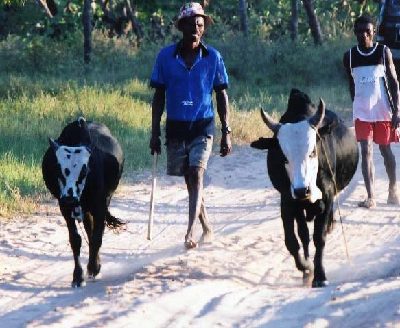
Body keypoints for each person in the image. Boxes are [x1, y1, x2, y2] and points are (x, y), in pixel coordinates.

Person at [149, 2, 232, 248]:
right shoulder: (165, 57)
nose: (196, 28)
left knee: (196, 174)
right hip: (175, 128)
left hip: (202, 127)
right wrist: (154, 133)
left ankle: (189, 232)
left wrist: (226, 131)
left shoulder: (213, 57)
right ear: (182, 26)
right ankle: (206, 225)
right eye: (191, 24)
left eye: (200, 24)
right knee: (189, 179)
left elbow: (221, 94)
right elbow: (158, 97)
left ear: (204, 28)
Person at [343, 14, 400, 208]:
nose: (364, 35)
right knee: (366, 151)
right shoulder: (349, 57)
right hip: (362, 113)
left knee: (385, 150)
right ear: (355, 33)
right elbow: (352, 84)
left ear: (374, 32)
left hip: (383, 111)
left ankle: (393, 190)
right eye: (359, 31)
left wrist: (397, 110)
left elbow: (394, 83)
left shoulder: (383, 52)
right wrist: (357, 104)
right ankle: (371, 197)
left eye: (368, 31)